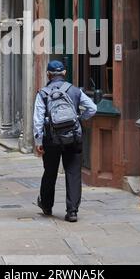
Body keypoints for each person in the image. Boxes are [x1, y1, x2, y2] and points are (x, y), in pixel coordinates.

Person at [33, 60, 97, 222]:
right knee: (73, 173)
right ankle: (72, 211)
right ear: (64, 73)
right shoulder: (75, 91)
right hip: (73, 137)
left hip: (51, 139)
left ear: (48, 74)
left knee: (50, 172)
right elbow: (93, 108)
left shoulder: (43, 93)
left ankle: (47, 206)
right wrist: (79, 119)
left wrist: (38, 142)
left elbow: (38, 120)